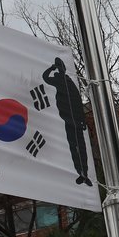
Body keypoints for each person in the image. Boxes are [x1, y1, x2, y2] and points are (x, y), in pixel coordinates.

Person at [41, 57, 94, 186]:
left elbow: (77, 101)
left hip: (75, 120)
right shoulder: (60, 80)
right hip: (68, 119)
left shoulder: (67, 81)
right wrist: (52, 68)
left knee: (80, 147)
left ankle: (85, 173)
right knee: (73, 146)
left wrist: (82, 120)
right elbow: (45, 78)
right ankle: (80, 172)